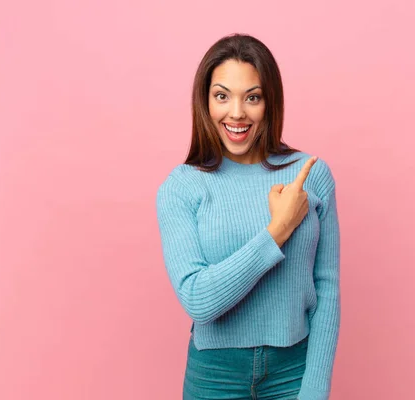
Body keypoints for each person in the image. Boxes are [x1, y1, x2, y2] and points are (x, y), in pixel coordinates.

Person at [156, 33, 341, 400]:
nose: (237, 113)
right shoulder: (181, 187)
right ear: (205, 102)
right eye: (222, 96)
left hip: (295, 372)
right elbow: (198, 300)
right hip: (215, 378)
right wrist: (277, 231)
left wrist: (315, 389)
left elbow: (327, 286)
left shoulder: (310, 174)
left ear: (270, 102)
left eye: (252, 97)